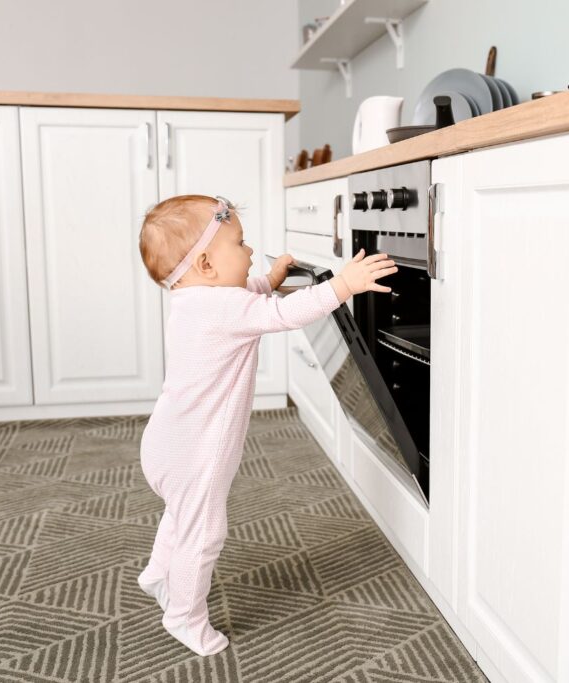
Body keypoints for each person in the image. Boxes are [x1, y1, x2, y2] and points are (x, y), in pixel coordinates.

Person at [135, 194, 396, 655]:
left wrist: (269, 279)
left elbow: (244, 299)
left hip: (165, 444)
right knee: (203, 533)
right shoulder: (222, 308)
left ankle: (158, 574)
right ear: (206, 265)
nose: (251, 250)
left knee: (180, 514)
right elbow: (280, 314)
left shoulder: (194, 301)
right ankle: (183, 617)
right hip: (197, 455)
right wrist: (343, 284)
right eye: (239, 242)